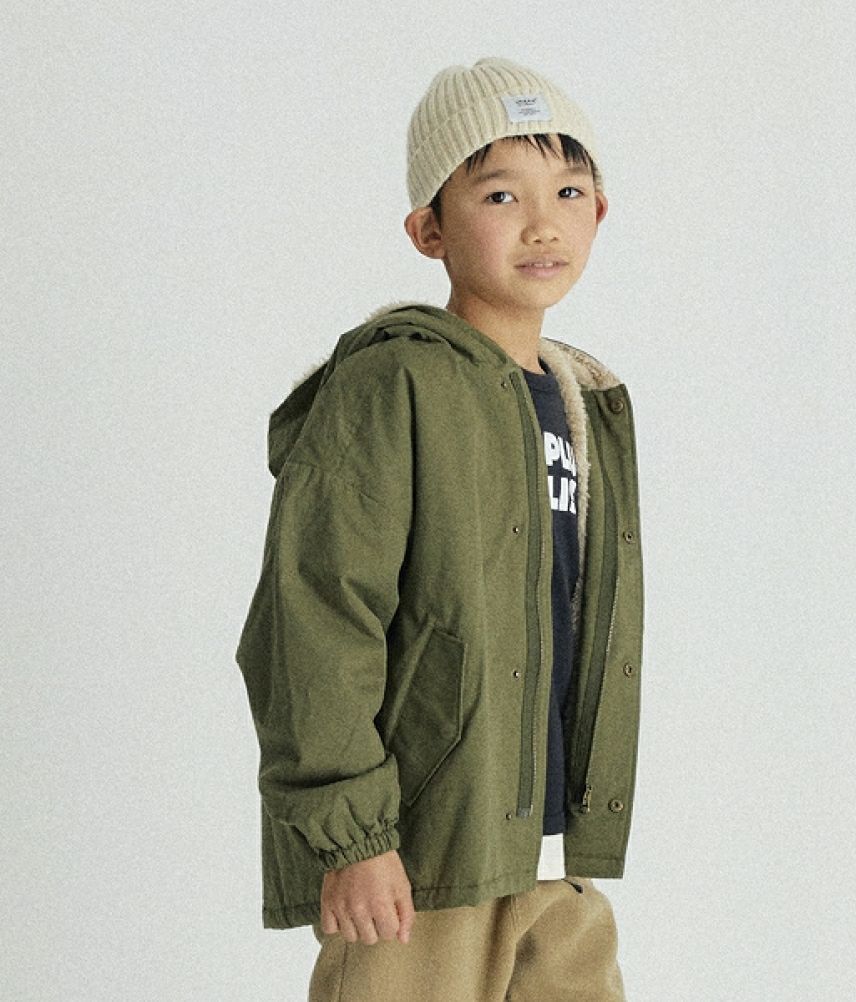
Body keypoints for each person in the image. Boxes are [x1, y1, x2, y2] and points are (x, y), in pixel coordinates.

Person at [235, 56, 645, 1001]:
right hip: (421, 860)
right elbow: (315, 618)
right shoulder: (396, 385)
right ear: (430, 230)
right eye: (500, 194)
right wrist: (353, 836)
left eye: (567, 191)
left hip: (550, 849)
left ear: (599, 213)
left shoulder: (584, 402)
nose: (542, 222)